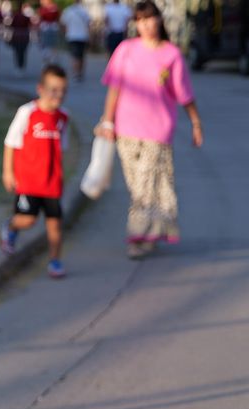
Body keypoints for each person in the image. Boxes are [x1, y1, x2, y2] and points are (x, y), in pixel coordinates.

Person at [97, 0, 203, 258]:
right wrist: (107, 120)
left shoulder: (171, 54)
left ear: (159, 20)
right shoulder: (125, 50)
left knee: (146, 184)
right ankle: (152, 230)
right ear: (136, 24)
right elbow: (114, 88)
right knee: (137, 185)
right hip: (126, 128)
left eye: (150, 19)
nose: (146, 25)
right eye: (141, 20)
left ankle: (136, 237)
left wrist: (195, 122)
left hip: (158, 130)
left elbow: (184, 94)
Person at [1, 64, 70, 279]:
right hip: (29, 180)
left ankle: (55, 261)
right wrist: (8, 172)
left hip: (52, 182)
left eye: (62, 91)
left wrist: (60, 174)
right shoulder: (27, 112)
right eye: (53, 90)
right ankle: (11, 228)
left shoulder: (63, 117)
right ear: (40, 88)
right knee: (28, 220)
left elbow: (62, 148)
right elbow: (10, 142)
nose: (58, 95)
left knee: (54, 224)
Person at [60, 0, 91, 80]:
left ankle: (76, 73)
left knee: (74, 55)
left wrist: (65, 33)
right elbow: (88, 24)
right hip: (83, 36)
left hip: (72, 36)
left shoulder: (68, 10)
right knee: (81, 55)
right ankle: (80, 72)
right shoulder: (84, 10)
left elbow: (63, 24)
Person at [7, 1, 33, 74]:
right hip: (23, 37)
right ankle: (21, 66)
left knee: (18, 52)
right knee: (22, 52)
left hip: (18, 36)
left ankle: (19, 67)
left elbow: (11, 25)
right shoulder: (24, 17)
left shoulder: (16, 16)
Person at [36, 0, 62, 64]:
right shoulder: (43, 9)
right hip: (49, 28)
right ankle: (48, 59)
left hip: (49, 28)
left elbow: (58, 18)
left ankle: (51, 59)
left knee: (51, 44)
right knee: (47, 44)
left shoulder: (52, 8)